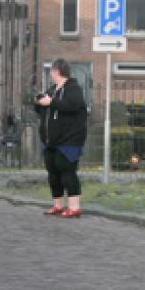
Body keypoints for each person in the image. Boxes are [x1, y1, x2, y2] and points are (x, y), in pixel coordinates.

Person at [34, 58, 88, 218]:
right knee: (53, 171)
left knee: (67, 171)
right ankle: (58, 205)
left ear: (56, 71)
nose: (50, 74)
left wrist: (51, 102)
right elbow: (44, 110)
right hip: (51, 141)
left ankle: (74, 207)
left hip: (69, 140)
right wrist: (39, 102)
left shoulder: (73, 88)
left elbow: (72, 105)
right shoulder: (52, 89)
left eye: (51, 71)